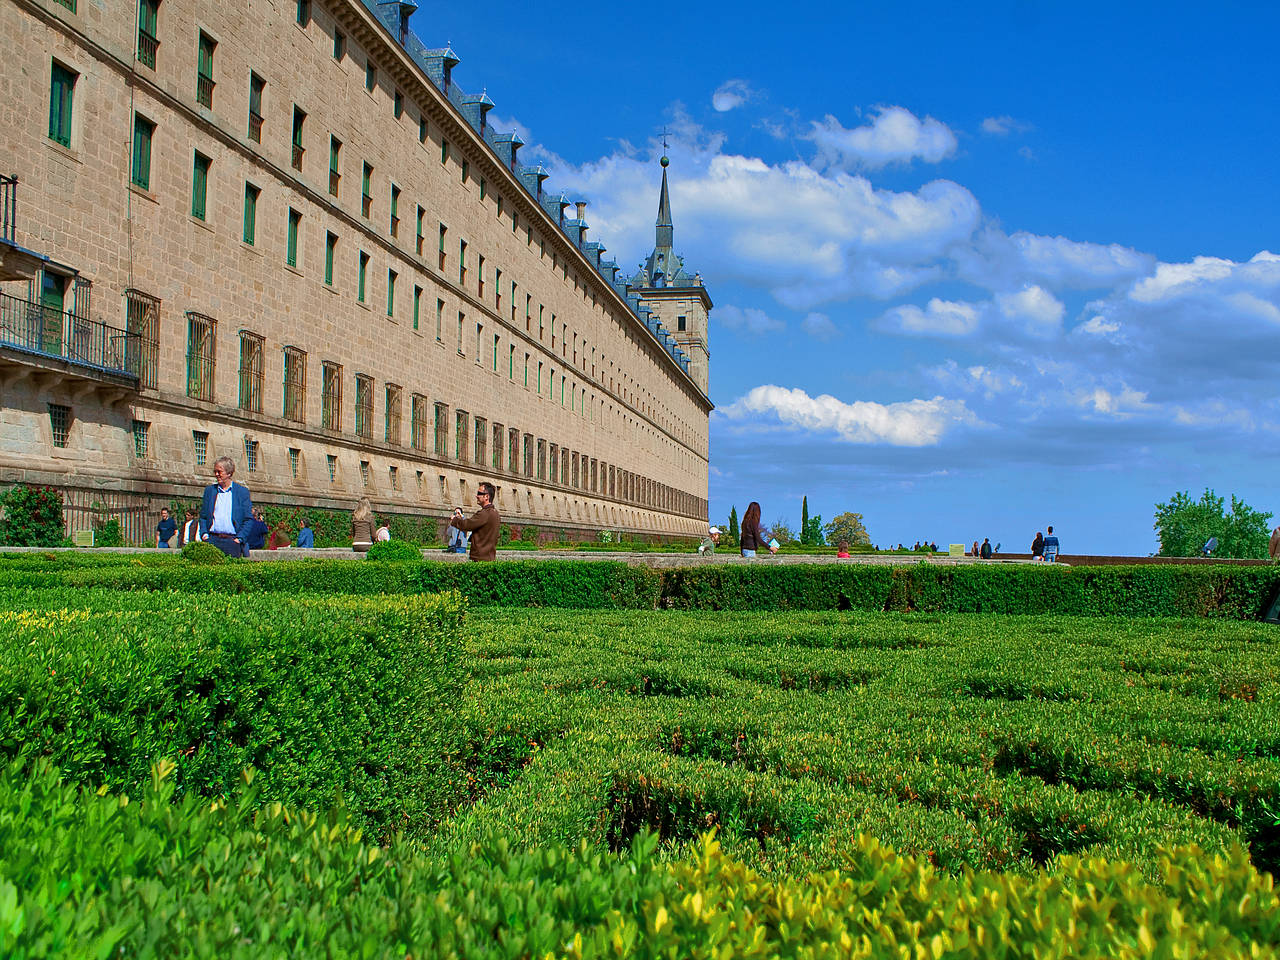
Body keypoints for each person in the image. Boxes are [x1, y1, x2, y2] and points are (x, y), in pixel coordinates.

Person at [199, 456, 253, 558]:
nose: (216, 475)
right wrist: (204, 535)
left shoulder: (242, 492)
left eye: (219, 472)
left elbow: (248, 519)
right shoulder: (210, 491)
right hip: (212, 540)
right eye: (215, 471)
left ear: (229, 473)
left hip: (232, 542)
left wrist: (239, 539)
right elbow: (203, 517)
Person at [449, 481, 500, 561]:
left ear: (486, 496)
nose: (476, 496)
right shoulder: (495, 513)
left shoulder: (485, 514)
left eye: (479, 493)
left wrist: (454, 520)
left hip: (480, 557)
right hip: (489, 557)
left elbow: (467, 525)